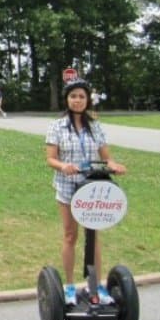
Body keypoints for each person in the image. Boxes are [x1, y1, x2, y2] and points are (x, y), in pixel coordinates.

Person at [45, 78, 126, 306]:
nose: (78, 100)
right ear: (67, 99)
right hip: (68, 186)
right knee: (71, 235)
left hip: (93, 188)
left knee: (94, 236)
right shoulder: (57, 126)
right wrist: (63, 166)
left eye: (82, 96)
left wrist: (113, 165)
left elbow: (106, 156)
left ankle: (97, 285)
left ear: (87, 99)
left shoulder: (95, 126)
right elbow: (50, 158)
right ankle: (70, 287)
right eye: (73, 96)